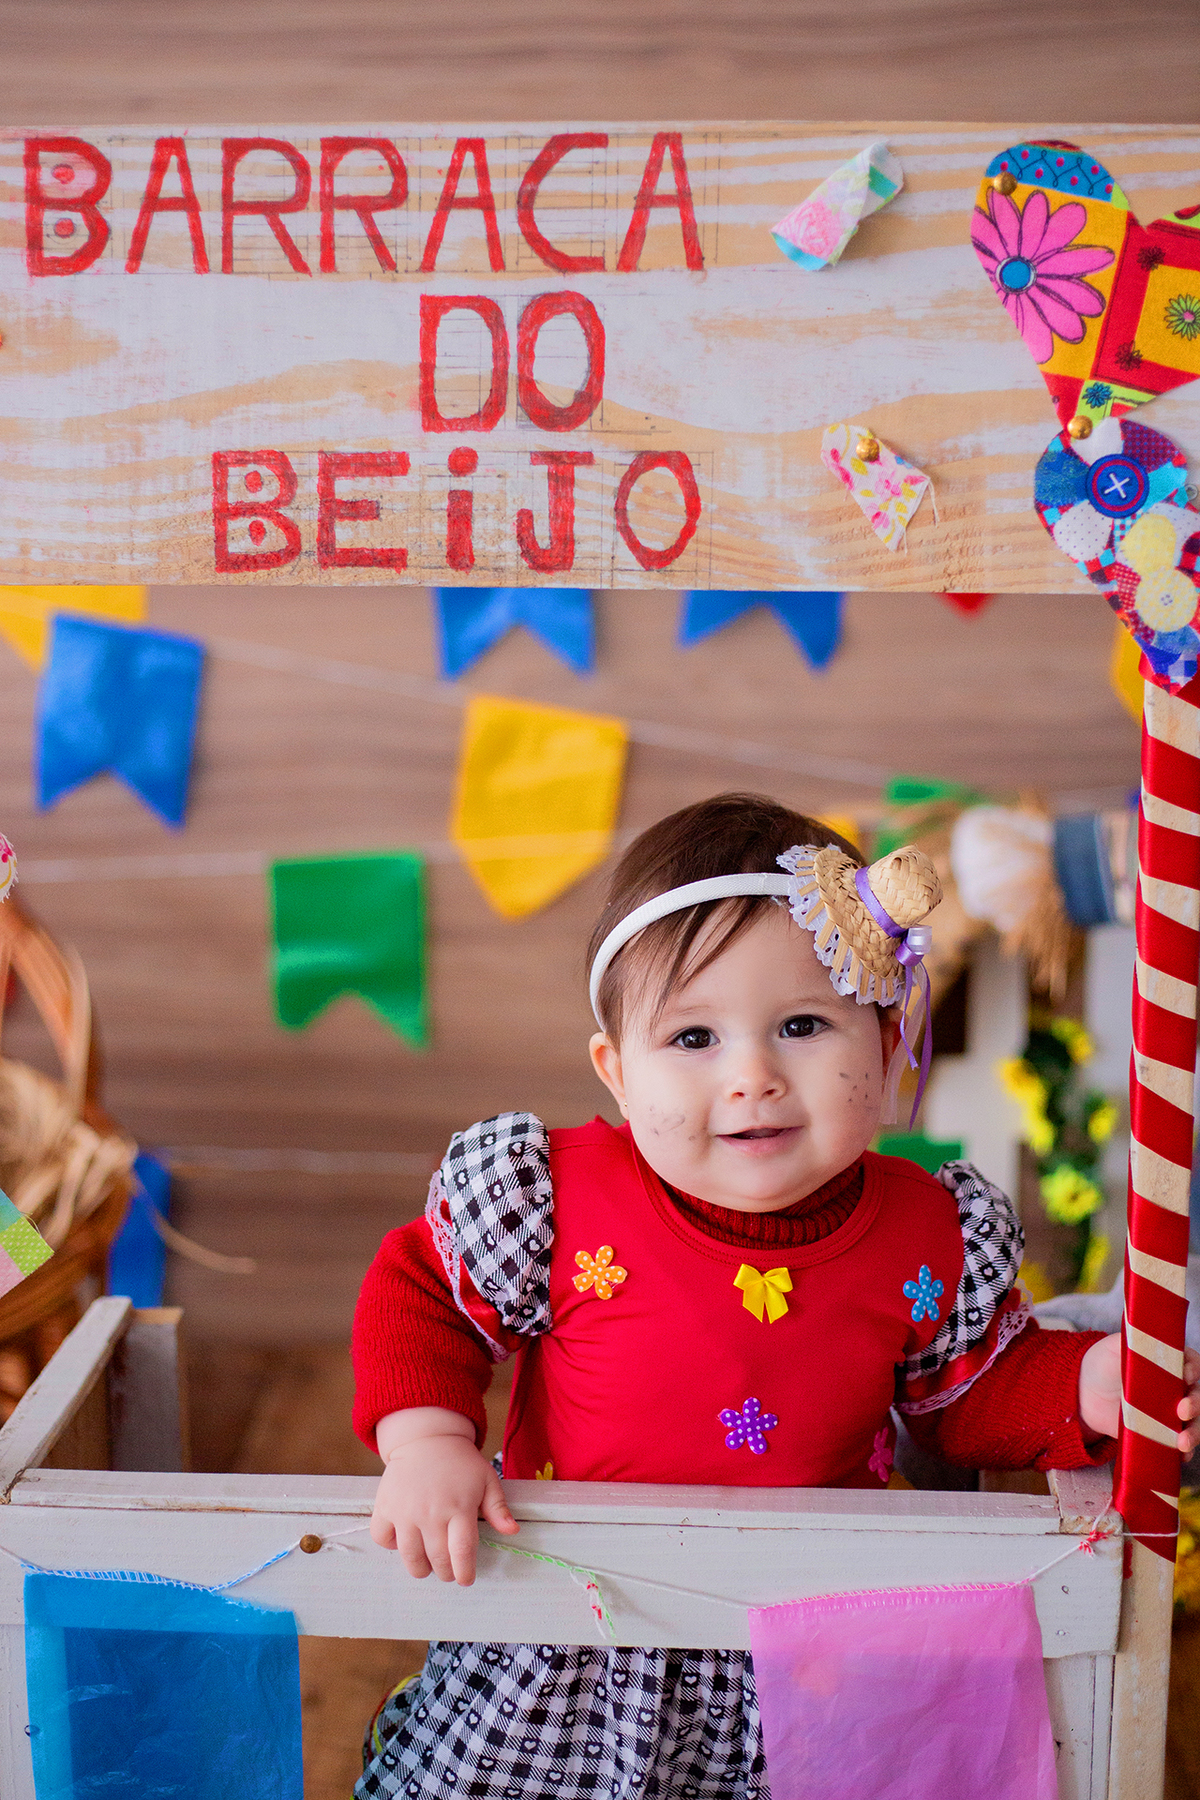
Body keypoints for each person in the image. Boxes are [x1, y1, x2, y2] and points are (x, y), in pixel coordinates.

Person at [351, 793, 1200, 1800]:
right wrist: (428, 1443)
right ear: (617, 1073)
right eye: (694, 1039)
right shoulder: (560, 1197)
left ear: (887, 1057)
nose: (751, 1076)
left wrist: (1086, 1385)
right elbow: (425, 1291)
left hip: (807, 1637)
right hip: (576, 1624)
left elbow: (969, 1396)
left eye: (802, 1025)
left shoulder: (926, 1234)